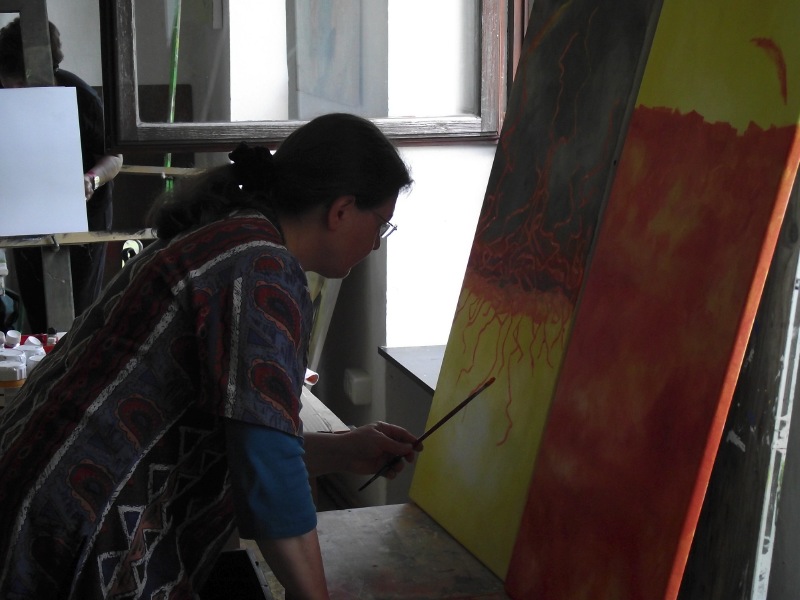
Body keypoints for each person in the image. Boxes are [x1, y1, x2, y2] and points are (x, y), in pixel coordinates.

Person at [0, 112, 417, 599]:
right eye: (381, 224)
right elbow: (266, 470)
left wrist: (342, 450)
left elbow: (242, 437)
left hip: (40, 498)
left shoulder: (232, 236)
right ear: (341, 210)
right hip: (70, 529)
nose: (376, 243)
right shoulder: (262, 269)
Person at [0, 17, 123, 333]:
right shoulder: (4, 92)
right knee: (37, 308)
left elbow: (114, 157)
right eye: (9, 82)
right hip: (26, 211)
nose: (15, 90)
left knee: (76, 311)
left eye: (22, 83)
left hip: (81, 213)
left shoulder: (80, 96)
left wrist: (90, 179)